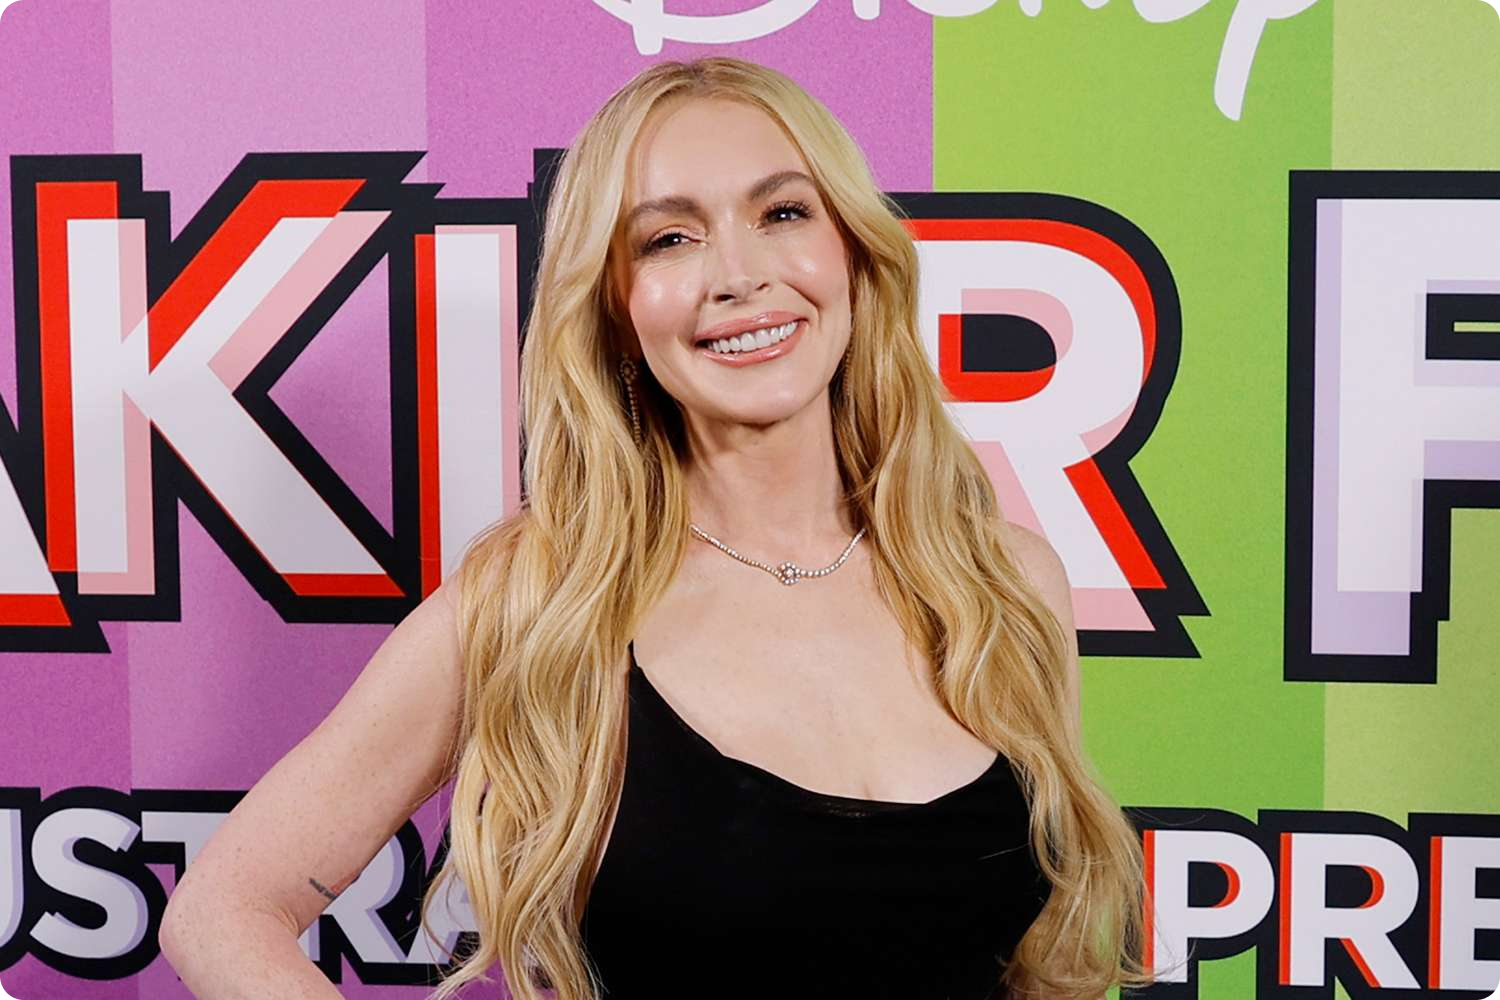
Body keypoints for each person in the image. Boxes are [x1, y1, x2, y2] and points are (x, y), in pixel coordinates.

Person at [159, 57, 1150, 1000]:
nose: (740, 274)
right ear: (617, 308)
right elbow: (224, 911)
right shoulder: (538, 601)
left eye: (783, 212)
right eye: (670, 239)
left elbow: (1042, 963)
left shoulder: (1003, 582)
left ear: (852, 251)